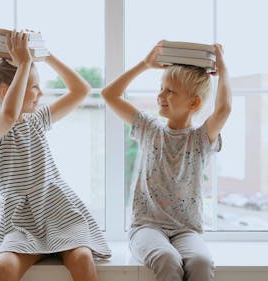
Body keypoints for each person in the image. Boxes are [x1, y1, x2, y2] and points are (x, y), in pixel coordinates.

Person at [0, 30, 111, 281]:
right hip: (22, 221)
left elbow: (81, 90)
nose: (40, 94)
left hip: (59, 213)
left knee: (82, 258)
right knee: (4, 268)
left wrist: (44, 56)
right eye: (35, 87)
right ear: (8, 91)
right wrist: (25, 64)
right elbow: (8, 116)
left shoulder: (37, 119)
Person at [101, 41, 231, 281]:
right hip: (147, 228)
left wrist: (222, 69)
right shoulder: (149, 129)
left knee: (202, 262)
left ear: (193, 103)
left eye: (170, 91)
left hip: (186, 231)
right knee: (167, 259)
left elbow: (223, 110)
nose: (160, 95)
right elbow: (109, 94)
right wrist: (145, 64)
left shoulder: (200, 139)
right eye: (161, 88)